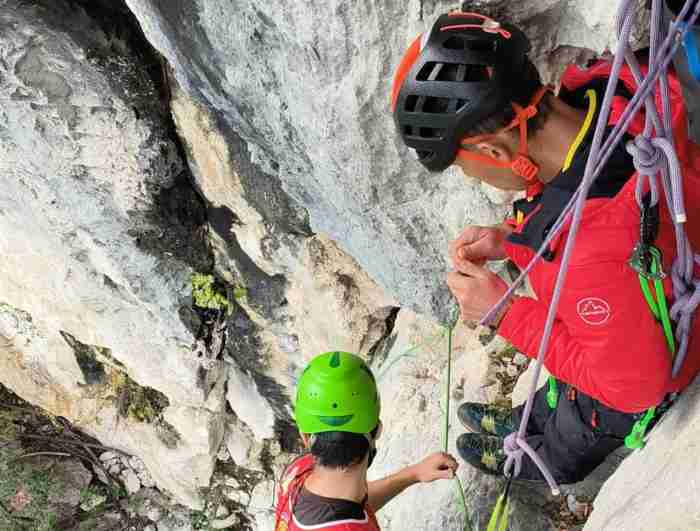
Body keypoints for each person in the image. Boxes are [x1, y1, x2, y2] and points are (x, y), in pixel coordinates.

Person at [391, 11, 700, 484]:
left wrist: (504, 312)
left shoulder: (588, 253)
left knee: (582, 422)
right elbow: (573, 208)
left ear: (496, 151)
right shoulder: (611, 89)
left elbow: (632, 387)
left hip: (644, 359)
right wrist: (509, 242)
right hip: (649, 283)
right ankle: (532, 418)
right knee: (571, 365)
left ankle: (537, 456)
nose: (476, 176)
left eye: (465, 167)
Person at [274, 351, 459, 530]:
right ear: (378, 429)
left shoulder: (297, 473)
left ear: (305, 437)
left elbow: (350, 506)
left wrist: (413, 474)